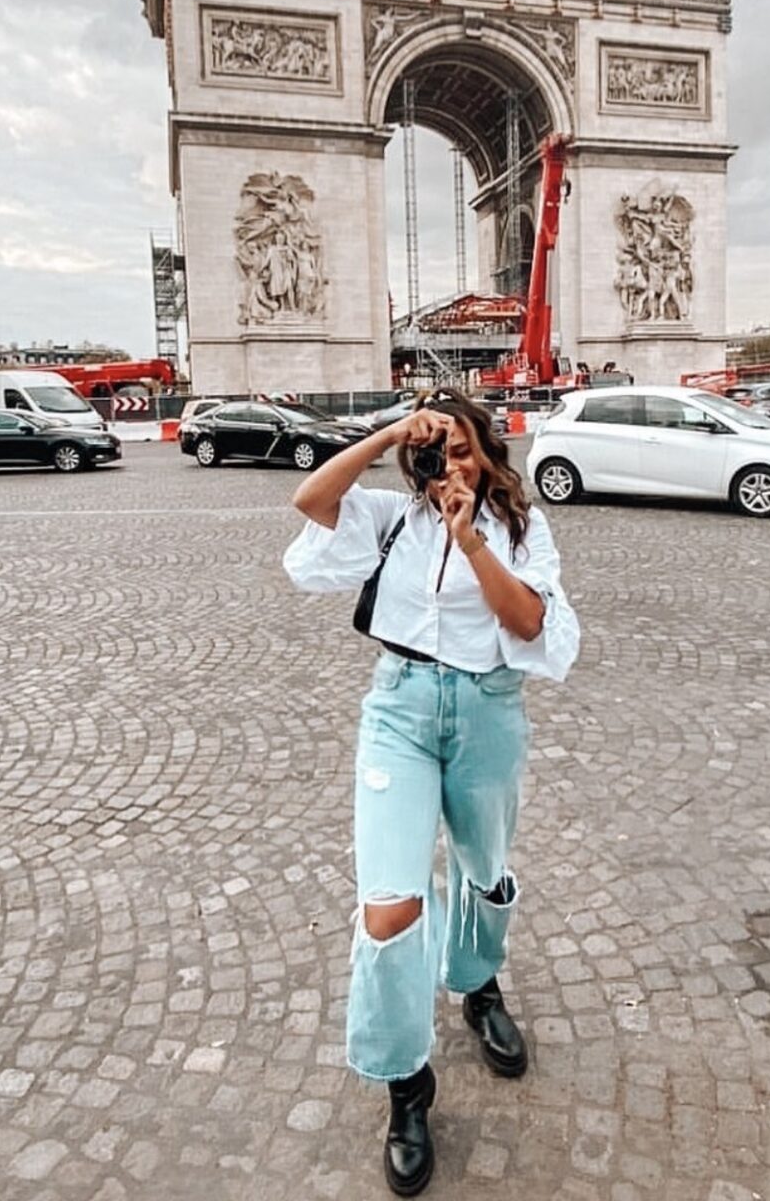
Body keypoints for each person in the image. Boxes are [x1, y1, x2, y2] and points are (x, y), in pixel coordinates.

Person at [283, 387, 579, 1196]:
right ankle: (406, 1084)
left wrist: (469, 540)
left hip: (487, 711)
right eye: (432, 451)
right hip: (400, 712)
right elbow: (311, 498)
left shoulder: (521, 527)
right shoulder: (390, 516)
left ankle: (477, 983)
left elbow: (526, 623)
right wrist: (389, 433)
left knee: (485, 871)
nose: (445, 464)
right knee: (390, 908)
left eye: (459, 448)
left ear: (484, 450)